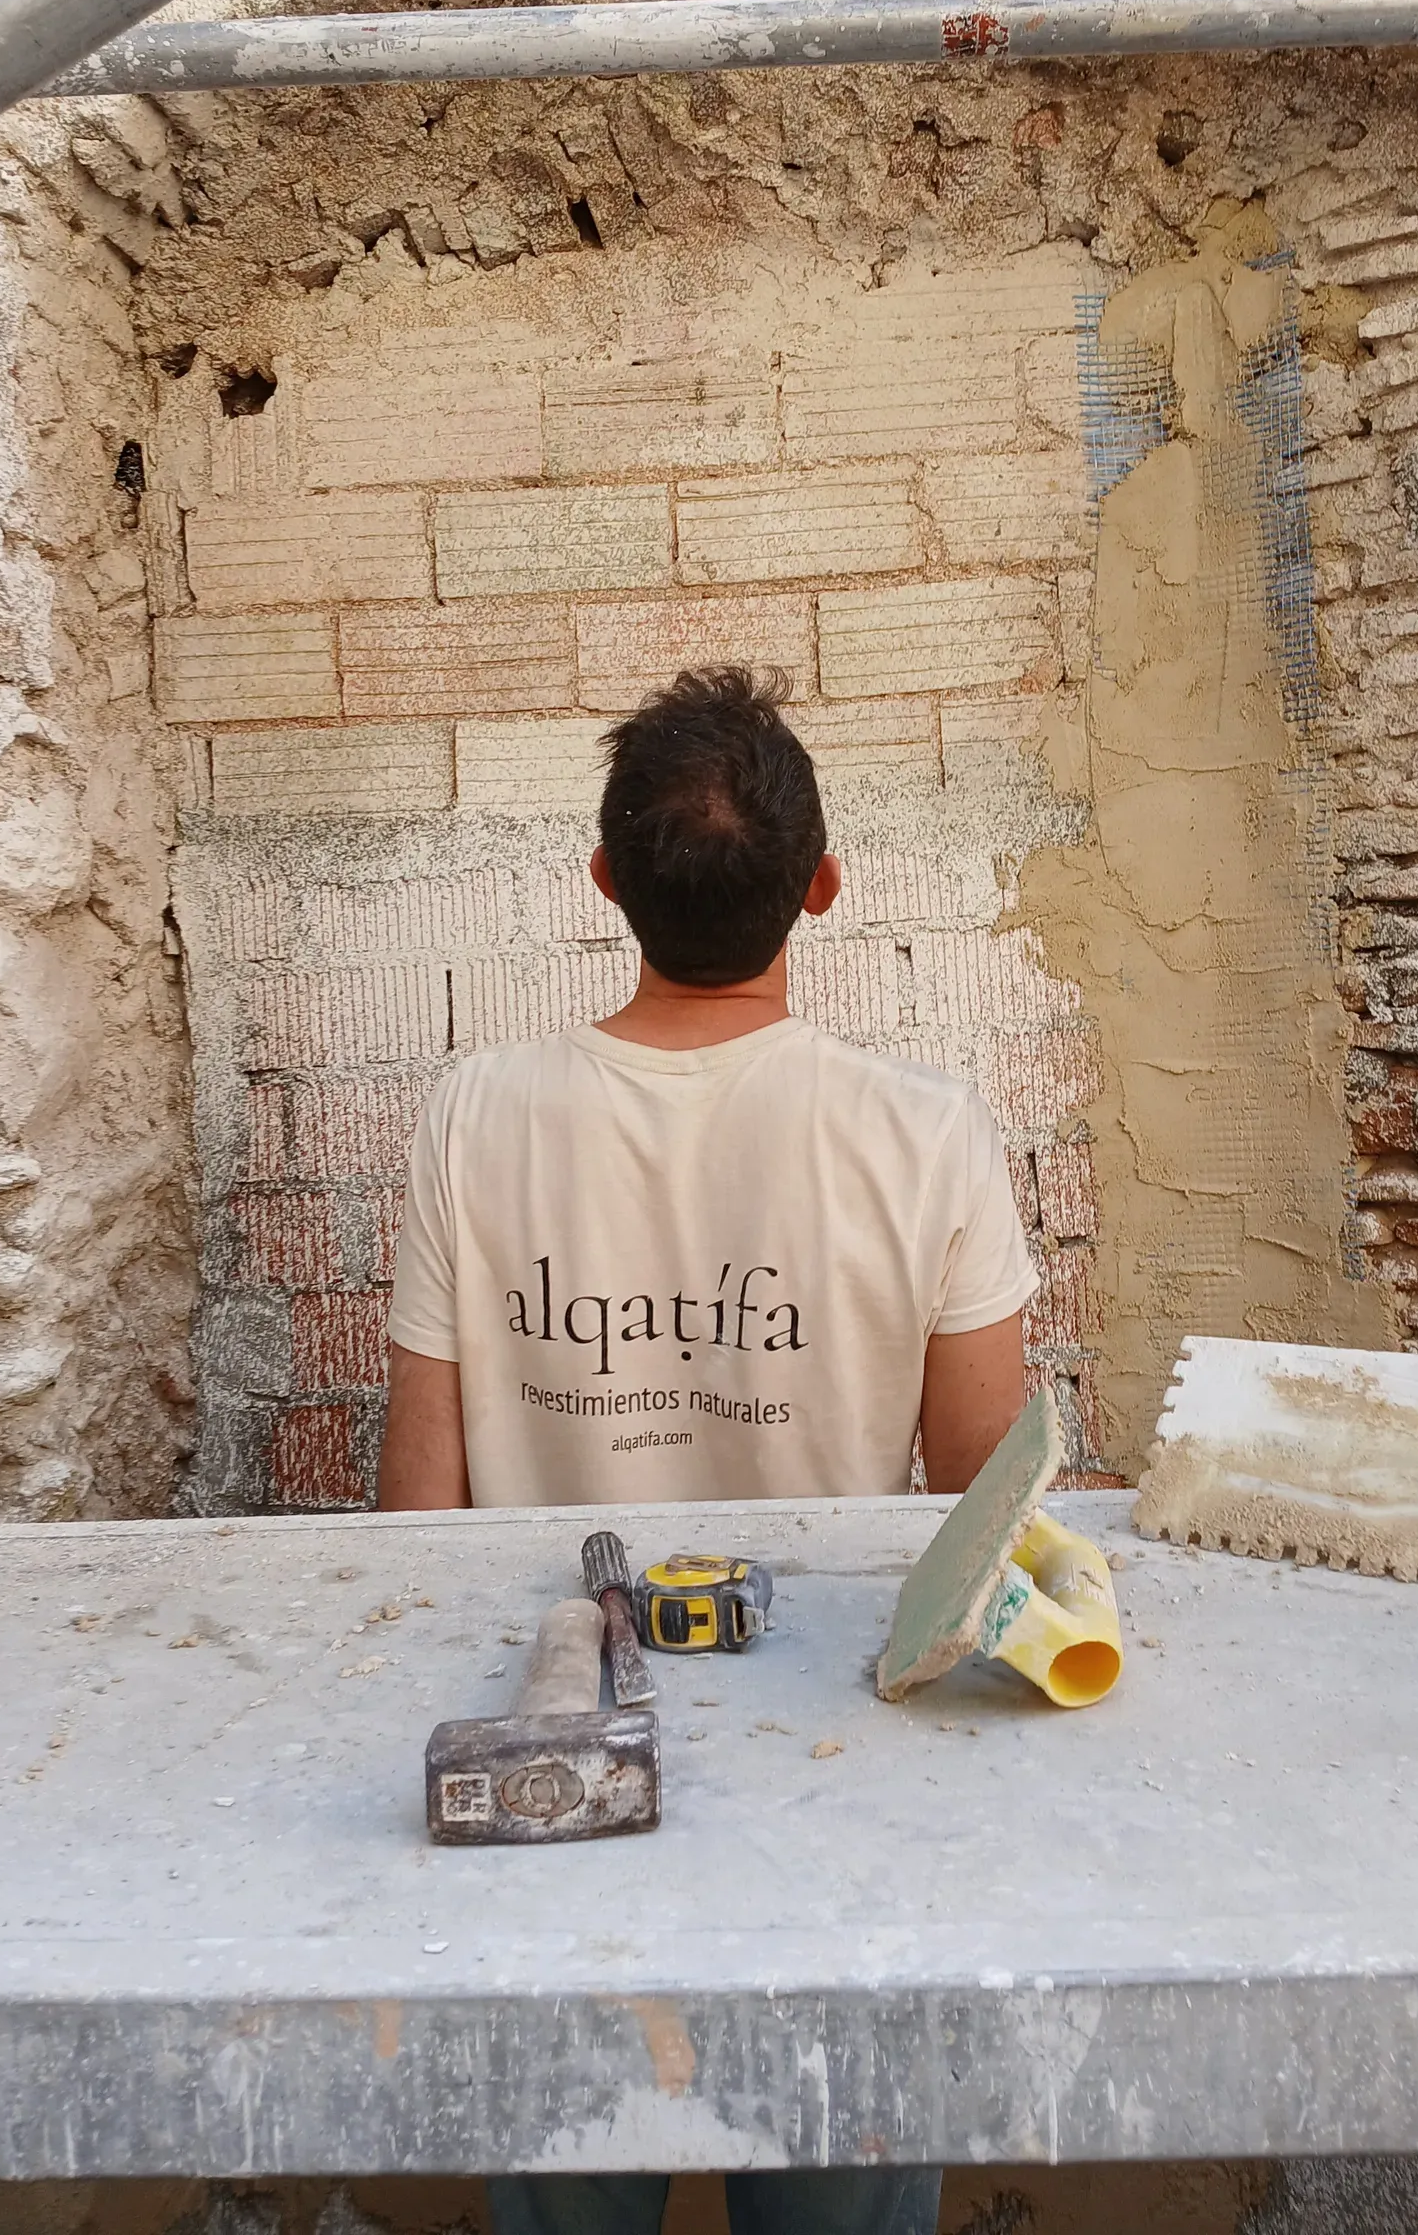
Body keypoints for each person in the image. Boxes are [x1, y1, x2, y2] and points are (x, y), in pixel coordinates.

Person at [379, 662, 1041, 2235]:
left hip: (554, 1756)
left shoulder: (474, 1116)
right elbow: (983, 1509)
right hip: (837, 1768)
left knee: (564, 2181)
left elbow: (415, 1509)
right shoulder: (926, 1133)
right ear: (820, 888)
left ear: (604, 881)